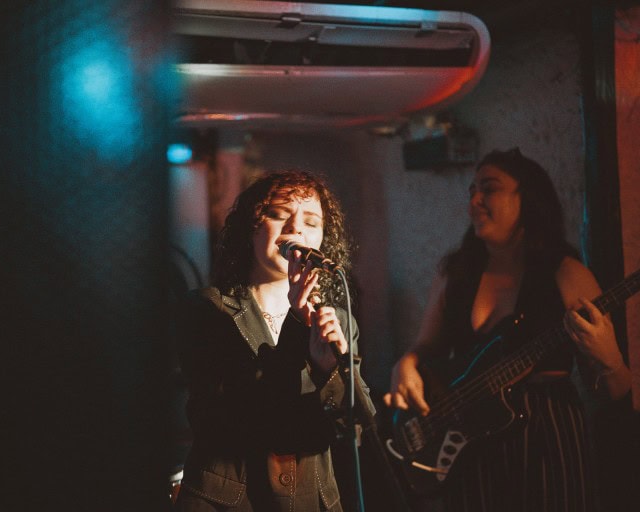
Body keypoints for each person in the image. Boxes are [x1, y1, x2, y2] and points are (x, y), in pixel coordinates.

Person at [383, 148, 632, 511]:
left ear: (527, 198)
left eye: (489, 188)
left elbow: (618, 390)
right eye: (472, 191)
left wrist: (609, 357)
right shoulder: (455, 272)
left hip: (547, 433)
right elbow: (426, 345)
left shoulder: (566, 273)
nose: (475, 200)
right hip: (467, 437)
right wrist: (404, 365)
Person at [174, 170, 374, 511]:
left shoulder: (337, 321)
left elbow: (358, 424)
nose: (296, 229)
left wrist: (331, 371)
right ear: (251, 229)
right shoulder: (208, 309)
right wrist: (296, 323)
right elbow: (238, 418)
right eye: (280, 215)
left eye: (311, 222)